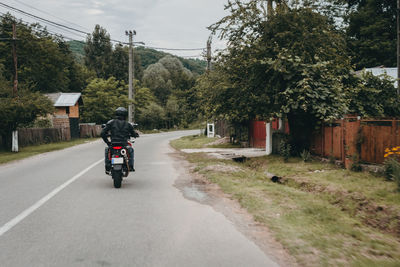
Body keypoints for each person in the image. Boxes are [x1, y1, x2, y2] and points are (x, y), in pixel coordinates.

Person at [101, 107, 139, 174]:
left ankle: (107, 167)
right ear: (125, 115)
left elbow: (102, 133)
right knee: (130, 150)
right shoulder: (128, 124)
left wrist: (107, 142)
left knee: (107, 150)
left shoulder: (111, 122)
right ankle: (130, 166)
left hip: (113, 144)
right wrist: (135, 135)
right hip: (124, 144)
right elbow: (133, 133)